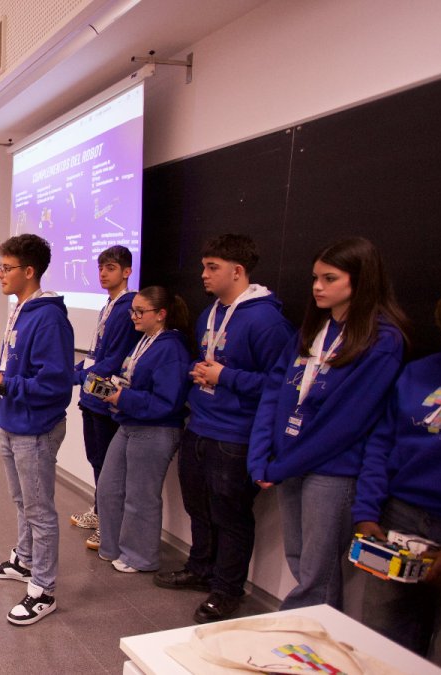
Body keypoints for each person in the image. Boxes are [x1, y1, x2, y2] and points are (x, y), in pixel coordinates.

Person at [248, 236, 408, 610]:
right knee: (300, 558)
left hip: (331, 470)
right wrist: (260, 457)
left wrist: (281, 465)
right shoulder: (314, 329)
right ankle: (304, 645)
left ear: (361, 281)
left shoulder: (383, 340)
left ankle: (297, 644)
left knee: (317, 573)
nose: (318, 286)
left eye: (330, 278)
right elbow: (274, 388)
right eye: (316, 278)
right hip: (287, 463)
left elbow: (346, 423)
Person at [352, 263, 441, 675]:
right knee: (380, 643)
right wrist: (366, 514)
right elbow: (381, 444)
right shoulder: (420, 372)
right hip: (399, 522)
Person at [155, 235, 294, 623]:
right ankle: (200, 568)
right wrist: (202, 372)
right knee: (197, 505)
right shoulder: (210, 314)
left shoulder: (267, 320)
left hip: (236, 434)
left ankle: (226, 589)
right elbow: (210, 360)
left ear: (238, 271)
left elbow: (280, 384)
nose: (203, 275)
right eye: (203, 266)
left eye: (212, 267)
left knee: (230, 514)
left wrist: (226, 376)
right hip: (199, 424)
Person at [0, 233, 73, 626]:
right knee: (22, 501)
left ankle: (43, 590)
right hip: (12, 421)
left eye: (6, 268)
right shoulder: (21, 310)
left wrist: (5, 385)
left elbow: (56, 385)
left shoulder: (48, 318)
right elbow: (21, 371)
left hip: (35, 428)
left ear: (29, 271)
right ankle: (25, 562)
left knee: (40, 511)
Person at [96, 286, 191, 574]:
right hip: (130, 423)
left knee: (141, 496)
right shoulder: (145, 341)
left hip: (156, 429)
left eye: (140, 312)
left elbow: (167, 401)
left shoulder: (171, 348)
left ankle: (141, 557)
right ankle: (113, 547)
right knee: (108, 488)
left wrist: (121, 397)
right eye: (132, 311)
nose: (134, 317)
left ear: (161, 314)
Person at [69, 245, 140, 551]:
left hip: (106, 394)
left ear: (126, 271)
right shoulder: (107, 305)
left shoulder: (127, 308)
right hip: (92, 395)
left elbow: (114, 358)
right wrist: (76, 372)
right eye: (100, 268)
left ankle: (111, 524)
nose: (102, 273)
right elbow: (97, 352)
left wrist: (84, 375)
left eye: (110, 268)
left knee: (109, 465)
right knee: (96, 458)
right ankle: (100, 512)